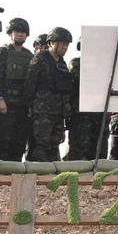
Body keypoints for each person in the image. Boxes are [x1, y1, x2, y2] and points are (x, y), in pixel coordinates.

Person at [26, 27, 74, 162]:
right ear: (52, 43)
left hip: (58, 113)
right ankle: (38, 173)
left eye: (67, 44)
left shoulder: (62, 63)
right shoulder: (40, 60)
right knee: (40, 145)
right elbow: (30, 84)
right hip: (43, 111)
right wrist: (29, 106)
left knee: (54, 146)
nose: (65, 47)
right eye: (63, 43)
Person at [0, 18, 34, 161]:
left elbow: (31, 82)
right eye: (17, 31)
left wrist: (29, 104)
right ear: (10, 33)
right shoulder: (2, 52)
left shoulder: (29, 56)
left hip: (22, 104)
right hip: (6, 104)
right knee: (4, 141)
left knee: (19, 142)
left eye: (23, 32)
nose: (20, 34)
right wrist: (0, 99)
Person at [65, 38, 107, 160]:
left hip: (99, 114)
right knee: (79, 153)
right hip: (81, 115)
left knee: (99, 155)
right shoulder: (76, 63)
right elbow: (79, 80)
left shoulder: (104, 65)